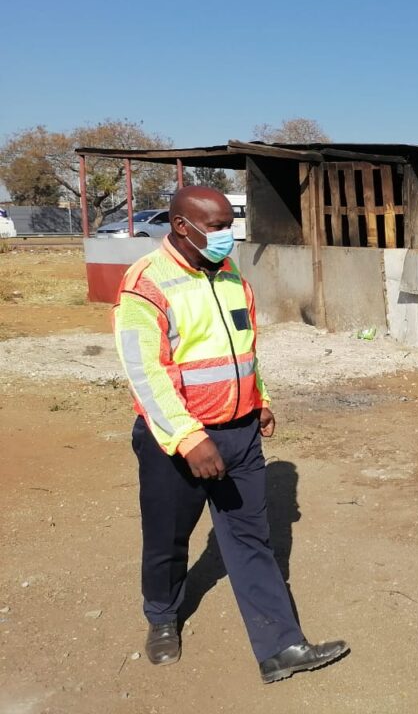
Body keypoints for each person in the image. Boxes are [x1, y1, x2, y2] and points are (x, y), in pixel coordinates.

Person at [112, 186, 347, 683]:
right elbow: (143, 372)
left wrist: (258, 399)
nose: (227, 234)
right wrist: (187, 437)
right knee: (167, 540)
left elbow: (244, 348)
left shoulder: (231, 275)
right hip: (177, 444)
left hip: (240, 433)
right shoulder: (145, 284)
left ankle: (281, 646)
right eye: (217, 225)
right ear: (181, 225)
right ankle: (161, 617)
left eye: (228, 222)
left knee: (250, 539)